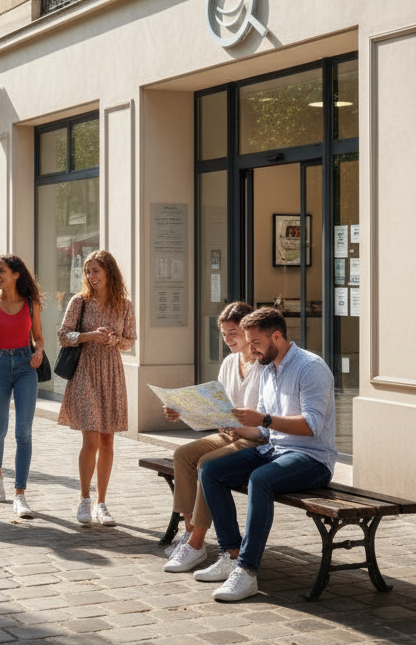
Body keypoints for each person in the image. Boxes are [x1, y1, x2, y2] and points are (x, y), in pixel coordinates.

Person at [196, 306, 336, 602]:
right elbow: (264, 433)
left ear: (276, 336)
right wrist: (235, 425)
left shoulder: (311, 368)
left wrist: (263, 420)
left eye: (256, 343)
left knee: (260, 480)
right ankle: (231, 554)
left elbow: (312, 426)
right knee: (210, 470)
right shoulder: (268, 368)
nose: (251, 350)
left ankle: (247, 573)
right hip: (275, 449)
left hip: (312, 458)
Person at [161, 302, 263, 572]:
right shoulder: (230, 363)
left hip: (255, 440)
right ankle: (189, 530)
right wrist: (181, 412)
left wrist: (237, 426)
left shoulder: (263, 365)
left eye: (233, 333)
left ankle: (196, 543)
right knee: (183, 455)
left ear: (247, 331)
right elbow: (217, 405)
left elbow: (263, 417)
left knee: (207, 463)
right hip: (230, 435)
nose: (228, 340)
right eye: (224, 334)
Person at [57, 250, 136, 527]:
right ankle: (84, 499)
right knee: (90, 439)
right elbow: (63, 335)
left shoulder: (124, 305)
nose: (91, 277)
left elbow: (130, 341)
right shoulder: (79, 301)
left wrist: (114, 340)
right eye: (88, 272)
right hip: (85, 372)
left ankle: (102, 503)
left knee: (107, 440)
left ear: (109, 273)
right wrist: (90, 335)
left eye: (96, 271)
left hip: (111, 373)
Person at [0, 254, 45, 518]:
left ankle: (20, 494)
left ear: (16, 274)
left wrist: (39, 350)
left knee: (24, 432)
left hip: (26, 367)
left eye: (1, 271)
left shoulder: (31, 303)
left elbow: (39, 337)